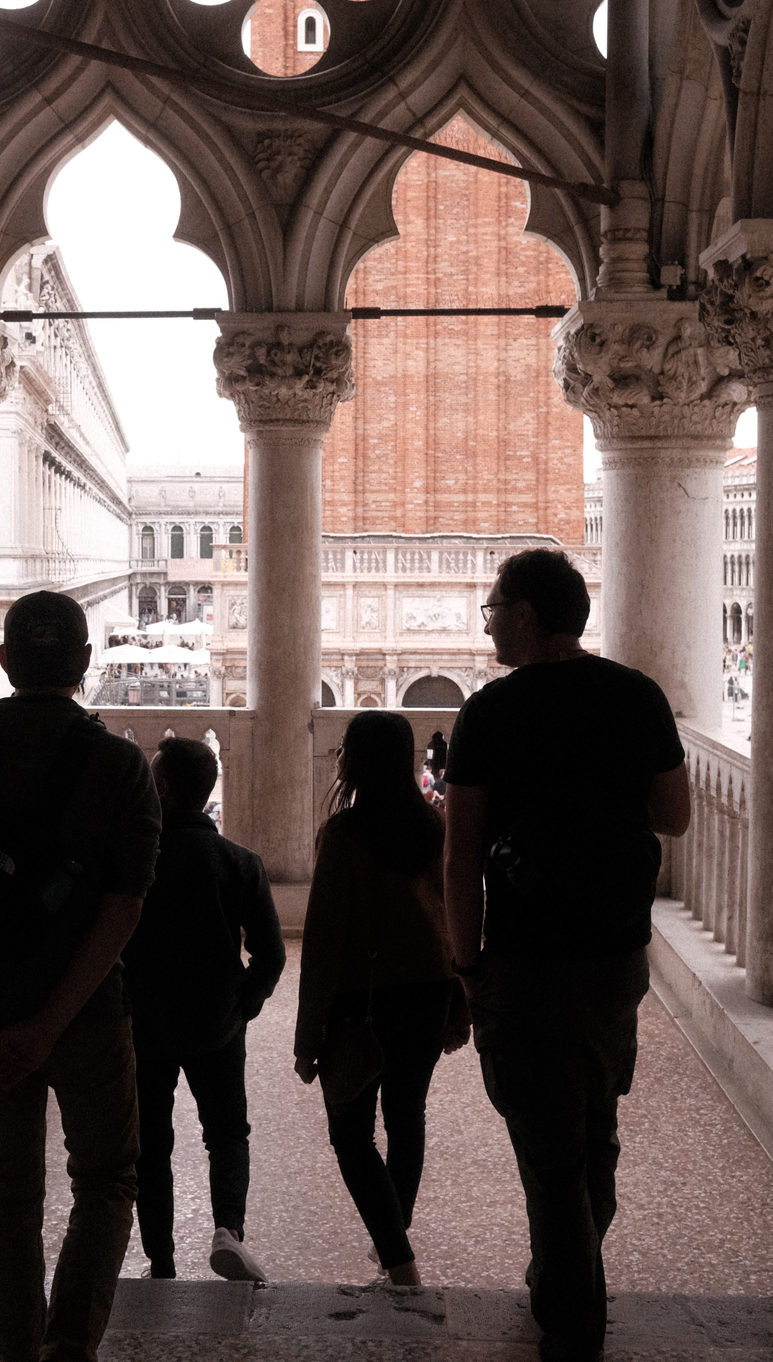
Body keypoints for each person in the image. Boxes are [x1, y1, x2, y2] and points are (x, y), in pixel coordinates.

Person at [443, 548, 690, 1362]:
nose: (488, 621)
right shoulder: (637, 695)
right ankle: (566, 1269)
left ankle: (571, 1317)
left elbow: (462, 851)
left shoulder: (490, 712)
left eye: (492, 608)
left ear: (526, 614)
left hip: (524, 957)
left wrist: (468, 959)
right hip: (615, 953)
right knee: (594, 1127)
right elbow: (676, 815)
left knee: (549, 1147)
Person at [0, 590, 161, 1362]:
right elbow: (124, 906)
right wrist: (51, 1022)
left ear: (5, 662)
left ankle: (17, 1349)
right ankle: (69, 1346)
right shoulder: (121, 765)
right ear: (86, 663)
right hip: (86, 1014)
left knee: (10, 1194)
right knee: (108, 1180)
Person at [294, 710, 467, 1290]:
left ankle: (399, 1260)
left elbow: (322, 941)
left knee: (349, 1132)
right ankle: (394, 1237)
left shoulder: (343, 836)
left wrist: (307, 1036)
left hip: (361, 1003)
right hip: (430, 994)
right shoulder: (436, 826)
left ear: (354, 761)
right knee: (406, 1115)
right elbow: (458, 919)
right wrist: (461, 1003)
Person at [122, 736, 285, 1282]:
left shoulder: (136, 859)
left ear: (162, 789)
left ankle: (161, 1260)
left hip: (145, 1024)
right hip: (217, 1021)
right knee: (227, 1132)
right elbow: (271, 953)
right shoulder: (240, 862)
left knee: (152, 1142)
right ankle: (227, 1231)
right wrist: (245, 1005)